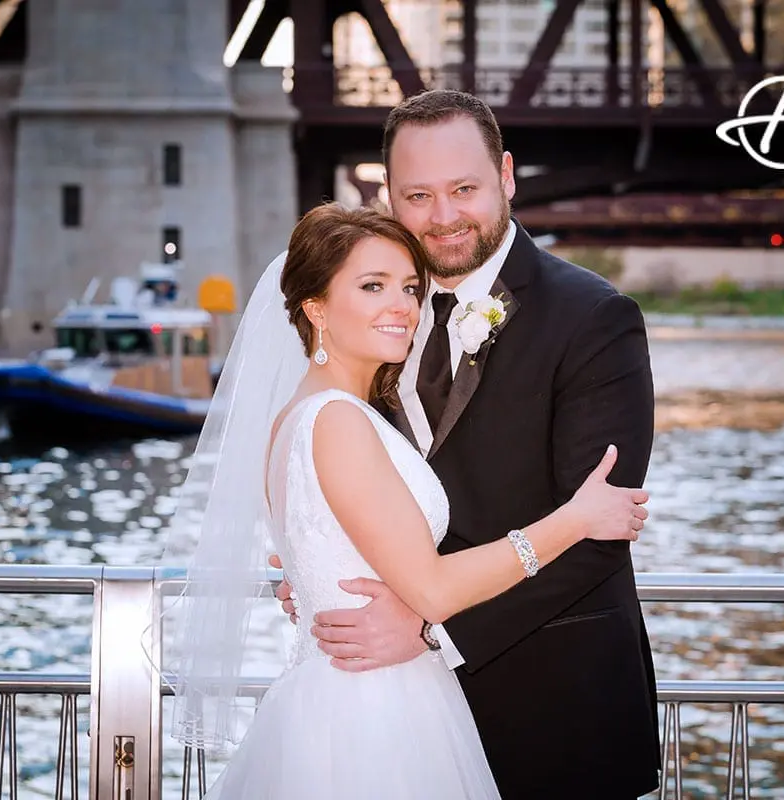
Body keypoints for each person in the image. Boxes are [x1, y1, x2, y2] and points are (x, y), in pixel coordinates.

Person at [162, 201, 649, 799]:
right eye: (373, 286)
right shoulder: (338, 421)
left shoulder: (301, 415)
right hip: (374, 710)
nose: (403, 306)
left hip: (348, 691)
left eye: (410, 288)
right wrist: (573, 520)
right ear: (316, 308)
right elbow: (434, 592)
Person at [273, 90, 662, 799]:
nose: (443, 215)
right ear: (389, 196)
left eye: (464, 189)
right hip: (393, 722)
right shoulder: (379, 321)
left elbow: (599, 531)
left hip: (557, 709)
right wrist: (319, 563)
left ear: (506, 177)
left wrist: (428, 629)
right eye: (418, 195)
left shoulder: (594, 318)